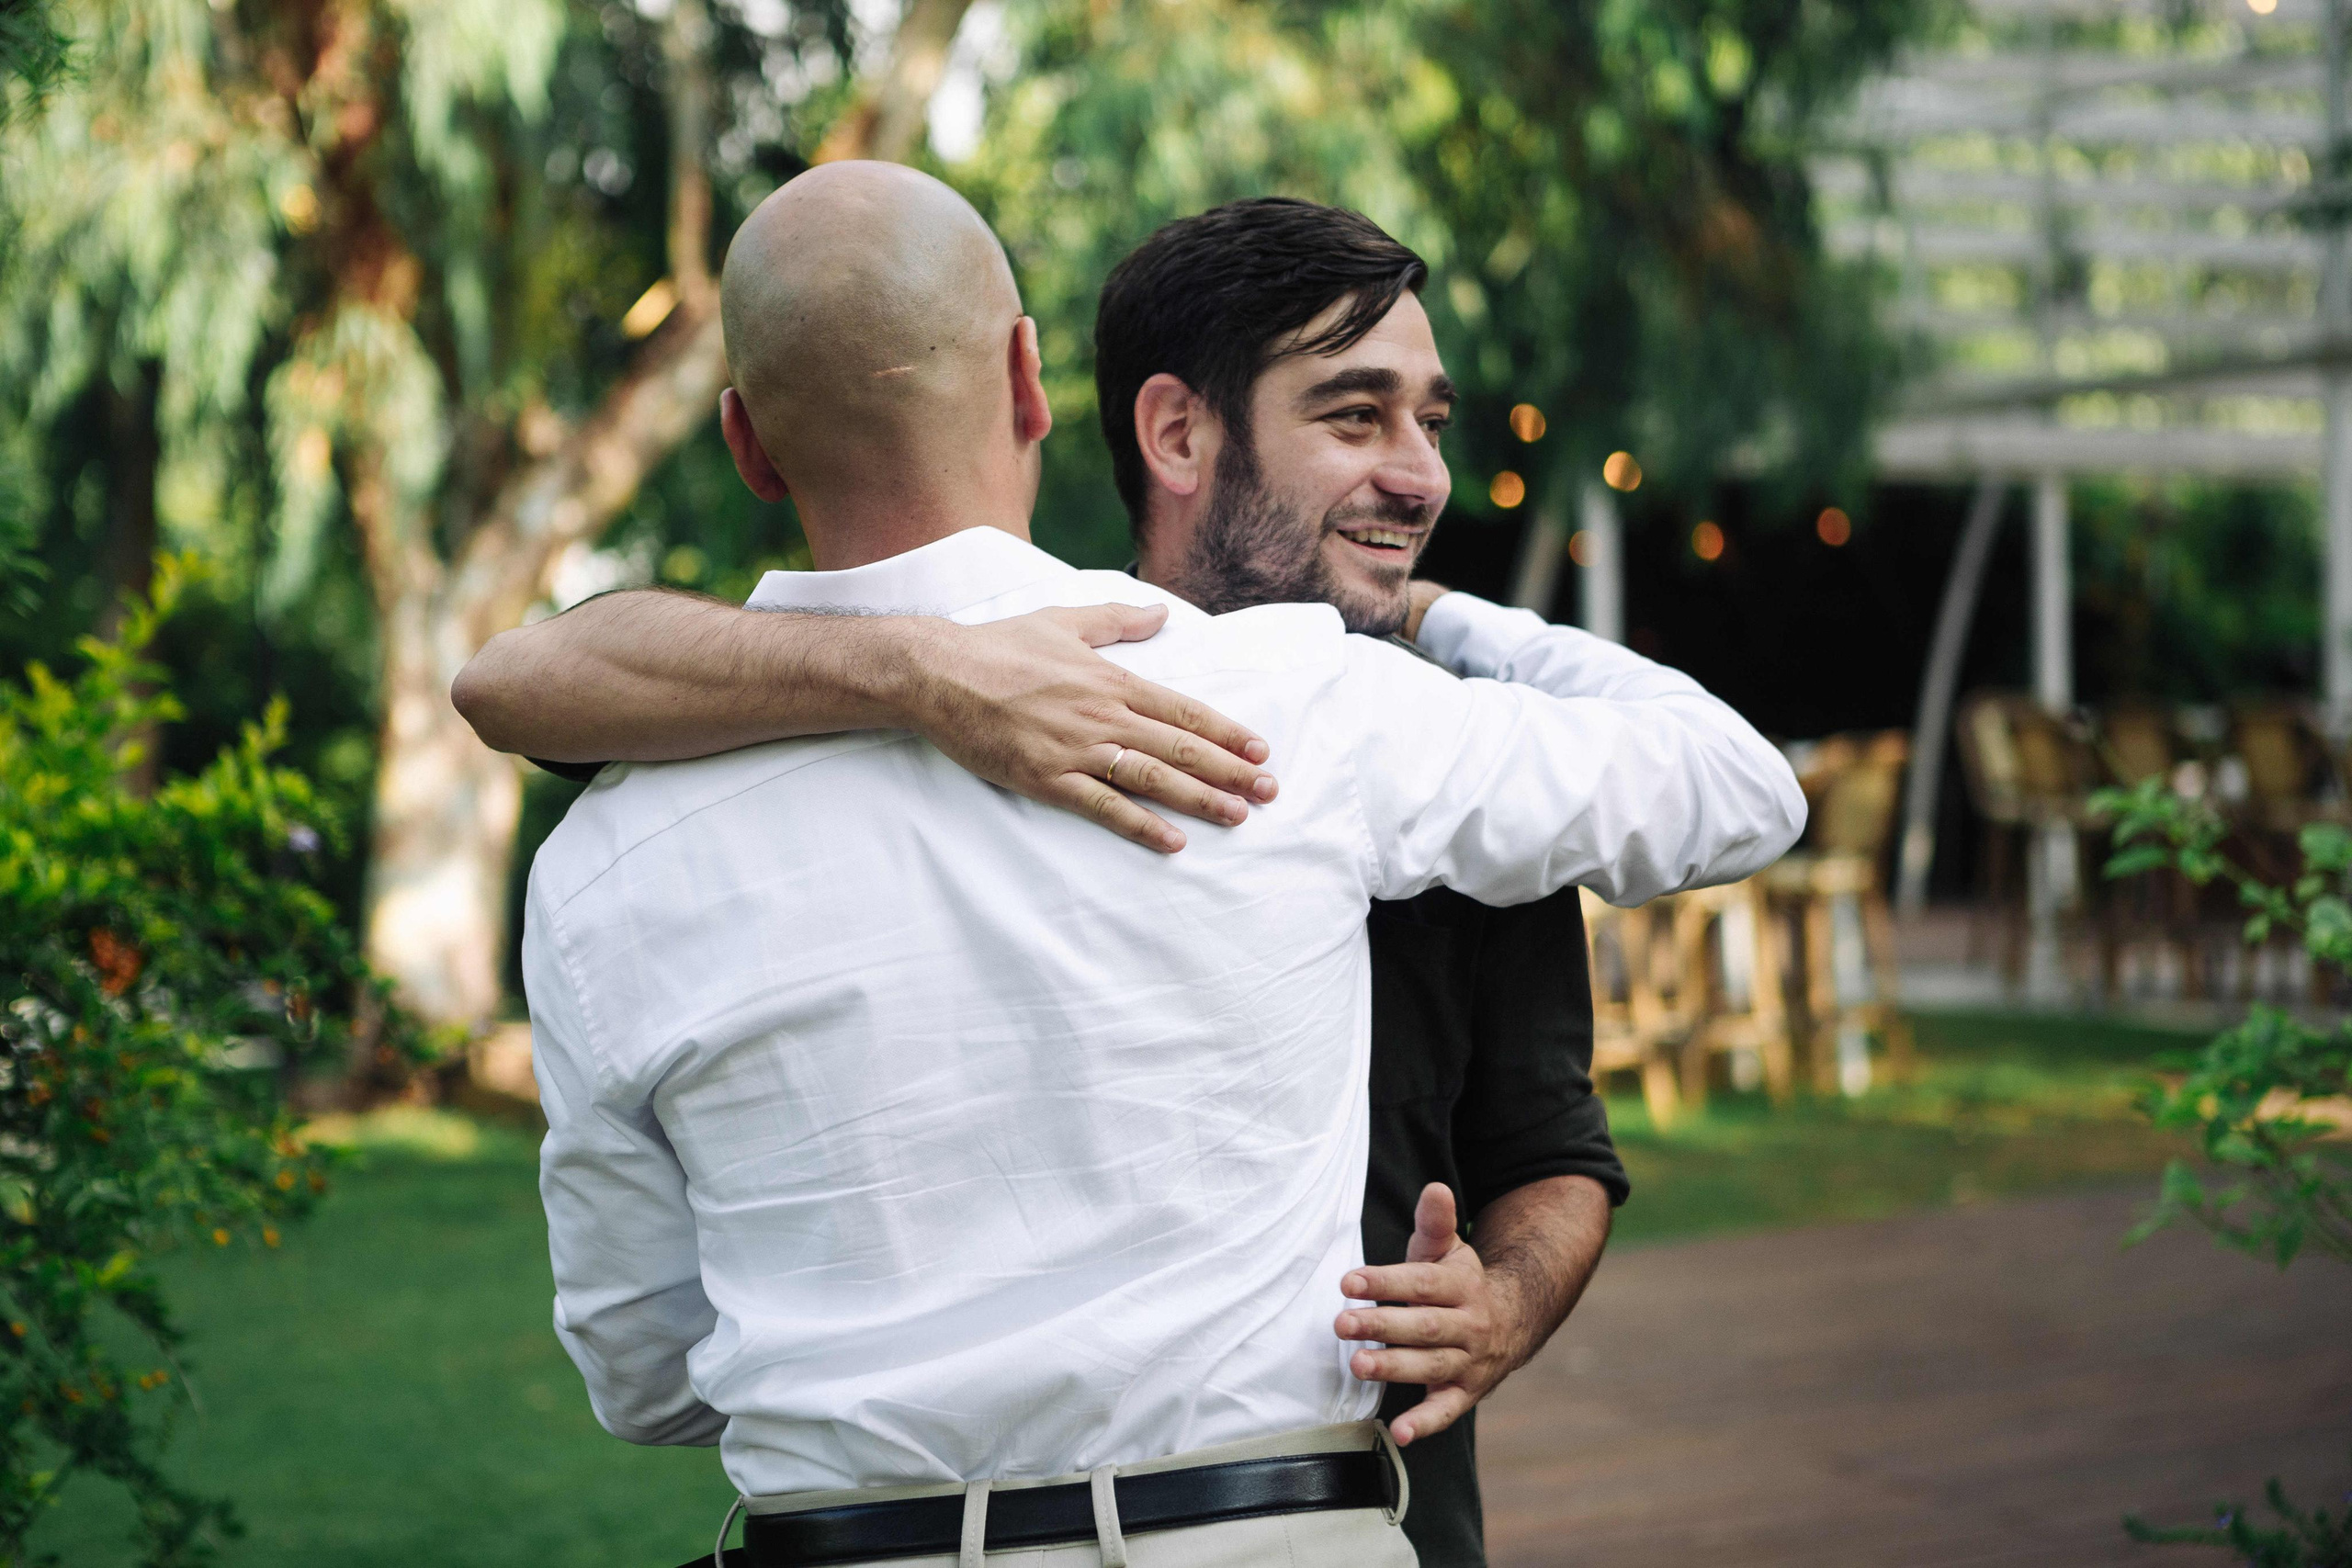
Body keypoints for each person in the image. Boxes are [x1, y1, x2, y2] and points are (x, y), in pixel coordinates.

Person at [507, 164, 1804, 1568]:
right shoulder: (1297, 704)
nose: (1418, 473)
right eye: (1358, 412)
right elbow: (1735, 787)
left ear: (746, 448)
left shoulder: (603, 858)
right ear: (1028, 379)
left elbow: (648, 1373)